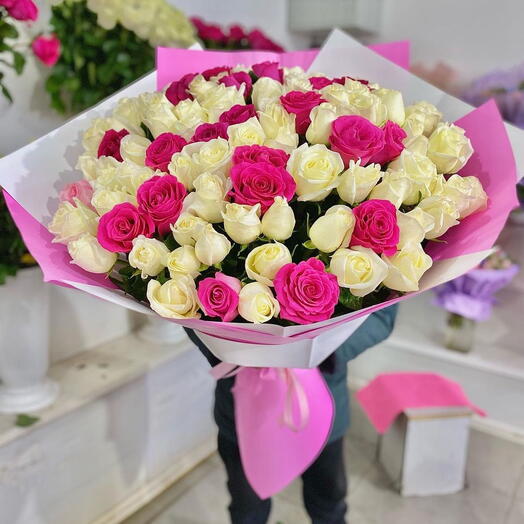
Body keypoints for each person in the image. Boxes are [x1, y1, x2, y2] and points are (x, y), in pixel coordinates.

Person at [185, 304, 398, 524]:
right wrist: (235, 352)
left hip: (322, 406)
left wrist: (320, 351)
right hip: (241, 406)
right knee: (247, 506)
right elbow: (183, 312)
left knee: (328, 501)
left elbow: (382, 316)